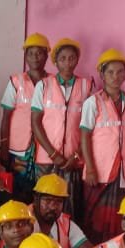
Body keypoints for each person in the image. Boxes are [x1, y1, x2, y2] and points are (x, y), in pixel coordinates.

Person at [80, 48, 125, 244]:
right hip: (100, 170)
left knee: (121, 215)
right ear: (102, 75)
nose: (115, 77)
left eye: (120, 72)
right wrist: (90, 168)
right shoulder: (93, 102)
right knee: (96, 217)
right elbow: (84, 136)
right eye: (110, 72)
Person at [31, 38, 93, 217]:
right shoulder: (43, 85)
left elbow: (89, 127)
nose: (67, 63)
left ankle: (67, 234)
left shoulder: (86, 86)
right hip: (46, 158)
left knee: (70, 206)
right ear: (55, 62)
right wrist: (53, 154)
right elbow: (35, 123)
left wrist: (77, 155)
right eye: (62, 58)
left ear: (77, 60)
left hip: (73, 160)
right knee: (44, 206)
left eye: (71, 58)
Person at [0, 33, 50, 201]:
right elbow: (6, 117)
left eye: (39, 53)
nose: (35, 57)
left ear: (46, 56)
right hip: (19, 150)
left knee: (42, 193)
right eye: (30, 53)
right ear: (25, 57)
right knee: (19, 194)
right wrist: (4, 149)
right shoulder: (16, 81)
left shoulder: (53, 82)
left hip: (44, 149)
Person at [31, 174, 92, 248]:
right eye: (47, 200)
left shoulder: (65, 223)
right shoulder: (24, 221)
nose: (53, 207)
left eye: (58, 202)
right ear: (36, 199)